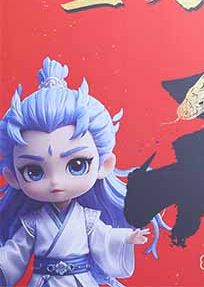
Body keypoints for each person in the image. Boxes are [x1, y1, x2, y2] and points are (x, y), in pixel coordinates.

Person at [0, 57, 159, 287]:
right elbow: (14, 253)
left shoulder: (87, 218)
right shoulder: (32, 223)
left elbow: (105, 237)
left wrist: (127, 238)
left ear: (104, 165)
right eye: (33, 171)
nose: (56, 182)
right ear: (12, 177)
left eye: (77, 165)